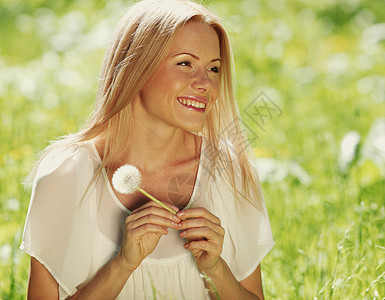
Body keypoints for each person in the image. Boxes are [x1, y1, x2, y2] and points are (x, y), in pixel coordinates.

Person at [20, 0, 274, 299]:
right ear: (137, 68)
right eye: (185, 63)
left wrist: (216, 269)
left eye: (214, 68)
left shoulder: (230, 169)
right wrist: (122, 265)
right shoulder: (65, 175)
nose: (206, 83)